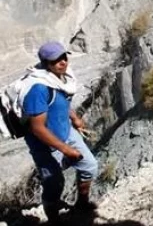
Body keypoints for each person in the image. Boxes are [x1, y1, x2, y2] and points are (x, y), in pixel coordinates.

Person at [22, 41, 99, 223]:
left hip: (65, 131)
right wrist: (65, 149)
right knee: (54, 184)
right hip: (44, 143)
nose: (63, 62)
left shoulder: (62, 77)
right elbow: (37, 128)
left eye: (64, 57)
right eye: (56, 60)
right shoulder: (39, 89)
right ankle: (53, 219)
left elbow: (61, 101)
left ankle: (82, 204)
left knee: (89, 166)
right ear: (46, 64)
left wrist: (74, 118)